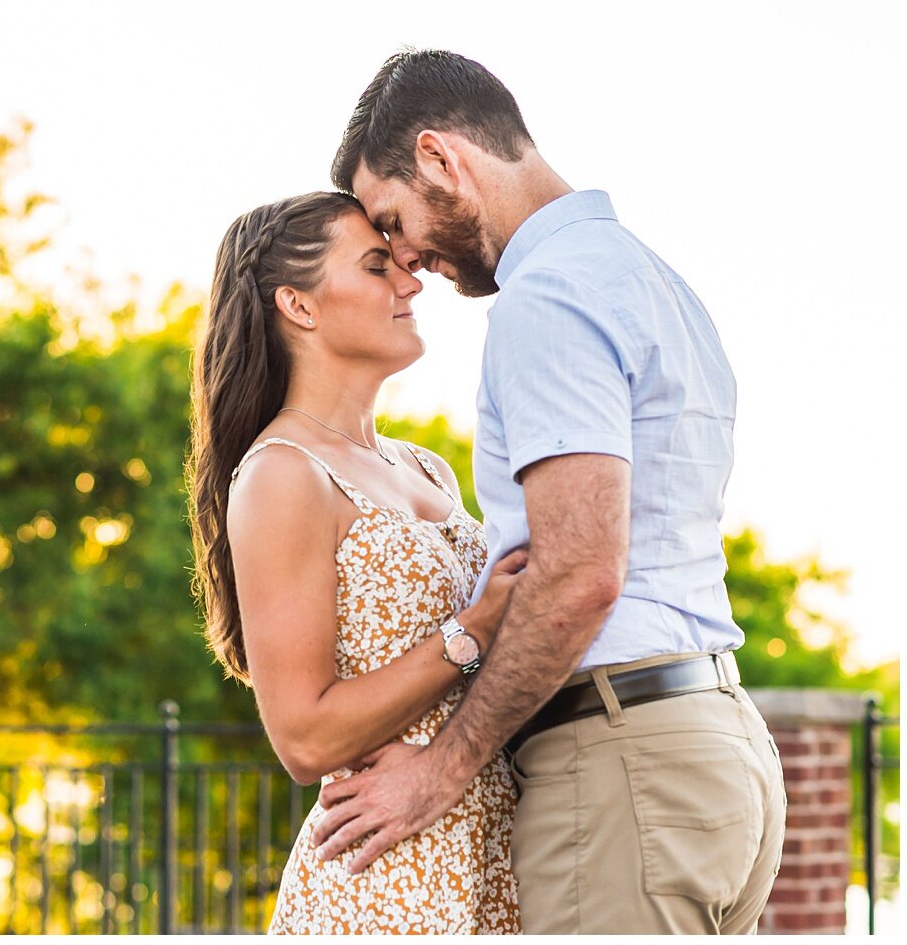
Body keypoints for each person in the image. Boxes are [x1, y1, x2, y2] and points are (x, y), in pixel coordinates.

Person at [310, 49, 787, 934]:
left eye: (392, 217)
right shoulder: (652, 281)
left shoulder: (547, 302)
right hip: (719, 750)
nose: (405, 256)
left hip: (623, 768)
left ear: (443, 158)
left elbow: (579, 576)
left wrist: (442, 770)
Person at [188, 190, 529, 934]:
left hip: (492, 856)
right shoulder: (282, 473)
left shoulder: (427, 468)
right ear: (299, 306)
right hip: (386, 881)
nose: (410, 282)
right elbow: (303, 739)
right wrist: (472, 628)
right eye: (378, 267)